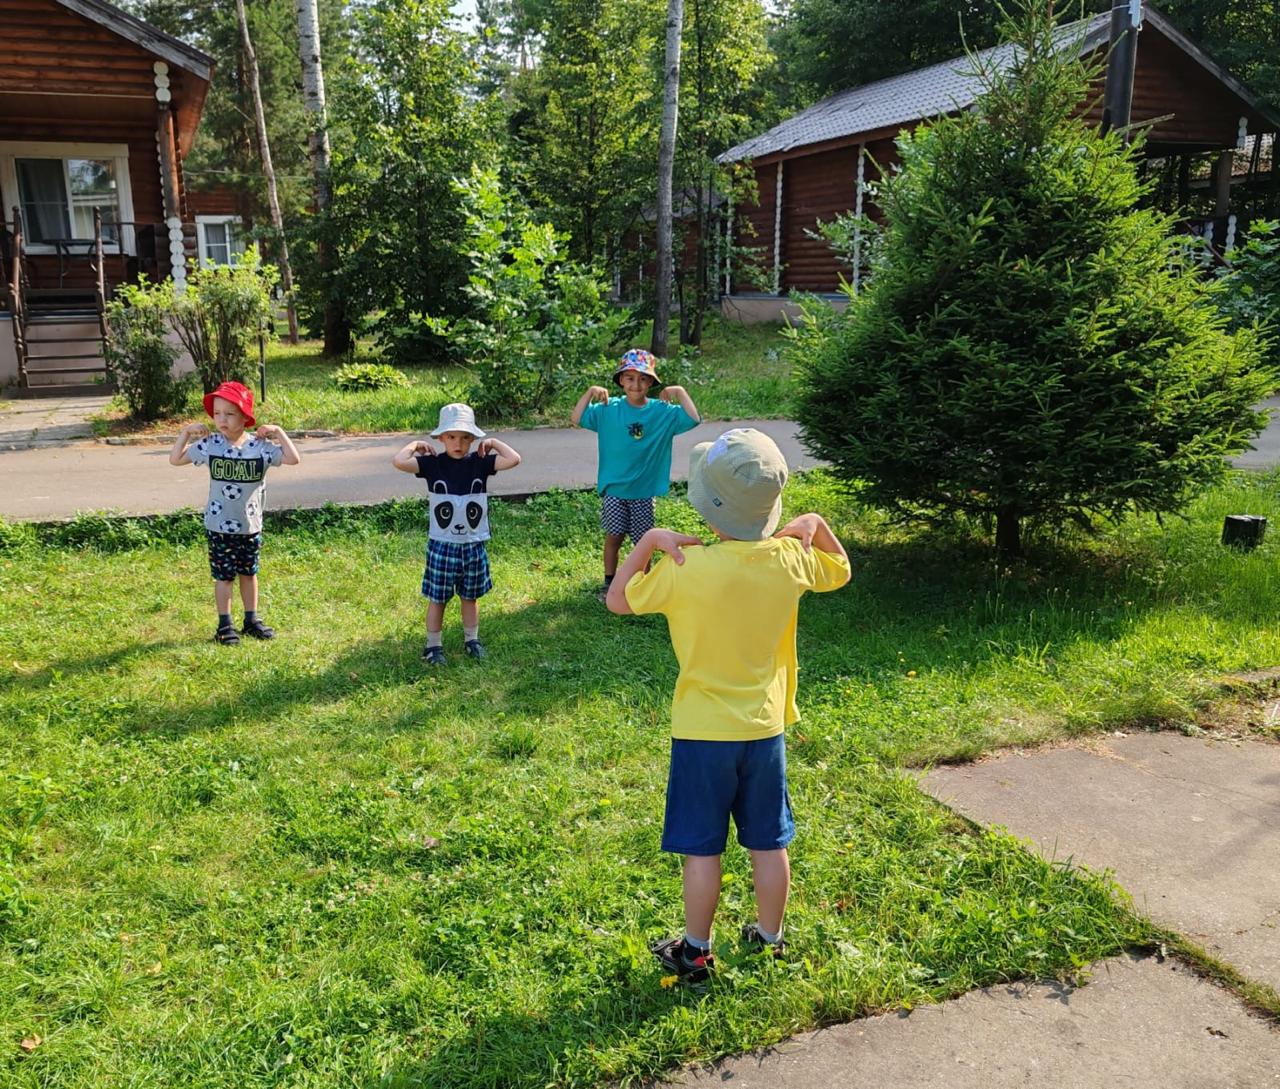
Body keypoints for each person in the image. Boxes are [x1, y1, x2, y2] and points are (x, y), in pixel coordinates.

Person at [606, 428, 850, 982]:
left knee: (703, 851)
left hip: (701, 733)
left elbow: (618, 600)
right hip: (764, 732)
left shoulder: (685, 569)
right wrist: (817, 525)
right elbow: (841, 569)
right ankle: (770, 939)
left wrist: (646, 544)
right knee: (769, 842)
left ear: (707, 507)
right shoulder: (791, 560)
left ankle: (695, 951)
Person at [169, 380, 301, 645]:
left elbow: (292, 458)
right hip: (219, 526)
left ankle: (251, 619)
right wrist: (185, 433)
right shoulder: (211, 445)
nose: (222, 419)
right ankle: (224, 625)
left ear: (245, 417)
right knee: (224, 577)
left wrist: (278, 432)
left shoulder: (260, 447)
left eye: (229, 413)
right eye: (217, 413)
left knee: (249, 573)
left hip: (250, 526)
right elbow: (176, 459)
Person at [392, 403, 522, 665]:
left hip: (473, 545)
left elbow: (514, 459)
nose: (458, 443)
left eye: (465, 437)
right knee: (437, 598)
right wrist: (416, 445)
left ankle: (471, 640)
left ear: (473, 439)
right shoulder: (431, 465)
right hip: (442, 546)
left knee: (470, 596)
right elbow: (398, 462)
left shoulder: (480, 463)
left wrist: (494, 442)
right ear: (441, 438)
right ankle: (433, 646)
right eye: (451, 437)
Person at [572, 348, 700, 599]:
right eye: (629, 378)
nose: (636, 384)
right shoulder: (609, 409)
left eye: (642, 378)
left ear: (651, 382)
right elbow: (576, 417)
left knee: (644, 541)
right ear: (621, 380)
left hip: (643, 491)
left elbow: (694, 419)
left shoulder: (661, 411)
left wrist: (680, 392)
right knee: (614, 536)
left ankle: (644, 583)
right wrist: (589, 393)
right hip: (615, 490)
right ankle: (609, 583)